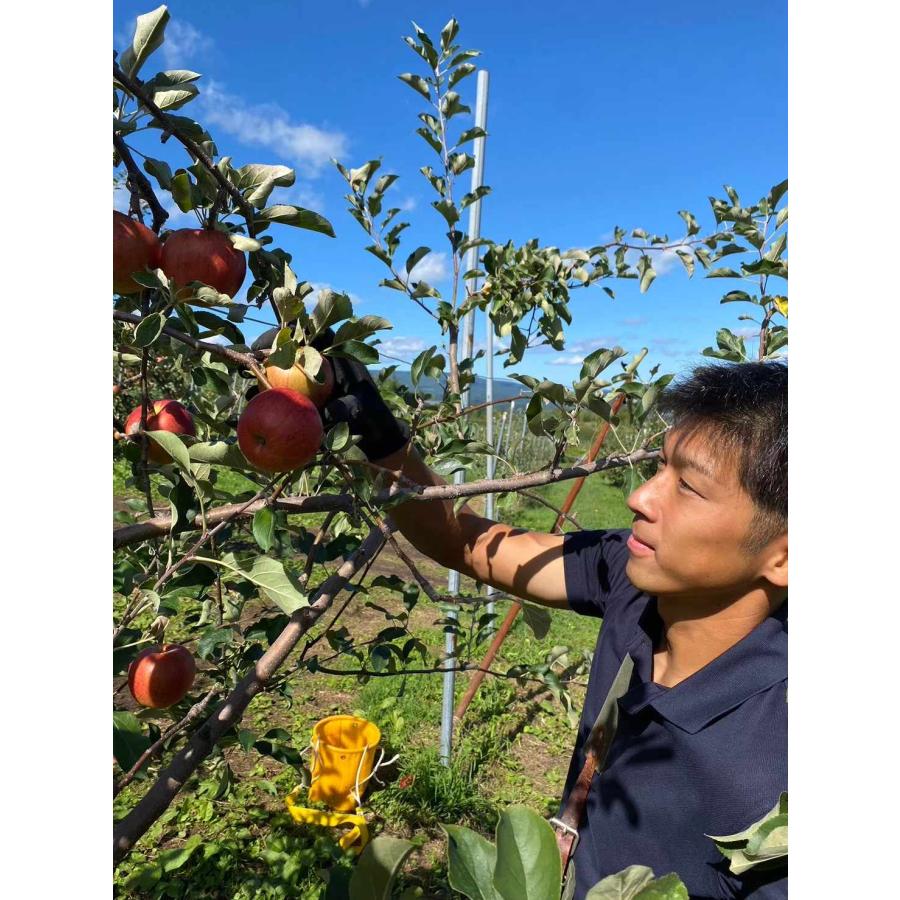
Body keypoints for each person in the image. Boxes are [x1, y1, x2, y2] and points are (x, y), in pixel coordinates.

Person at [318, 345, 788, 900]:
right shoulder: (629, 574)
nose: (640, 496)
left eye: (689, 485)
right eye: (661, 466)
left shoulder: (780, 760)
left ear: (783, 556)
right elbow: (467, 542)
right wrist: (378, 435)